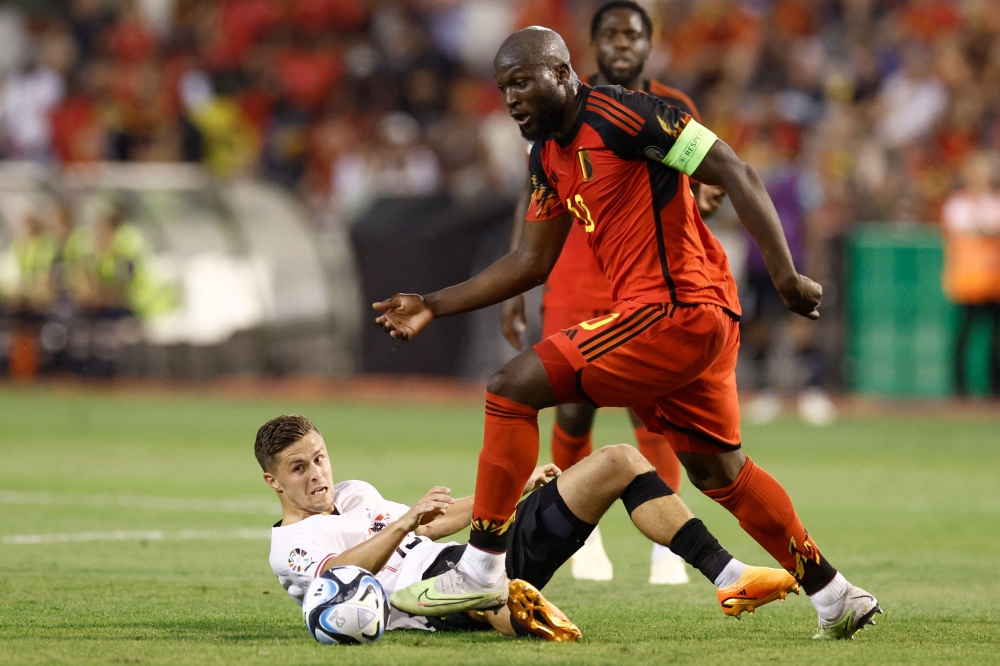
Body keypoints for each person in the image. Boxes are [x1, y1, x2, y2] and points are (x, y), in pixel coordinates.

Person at [374, 27, 881, 640]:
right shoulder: (546, 158)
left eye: (523, 81)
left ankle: (482, 565)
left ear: (562, 73)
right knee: (719, 471)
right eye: (504, 86)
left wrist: (785, 276)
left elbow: (736, 170)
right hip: (692, 319)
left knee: (509, 386)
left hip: (677, 307)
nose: (511, 98)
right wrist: (432, 303)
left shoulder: (625, 113)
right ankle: (835, 595)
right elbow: (530, 261)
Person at [498, 0, 725, 585]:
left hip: (650, 280)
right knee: (572, 404)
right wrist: (512, 288)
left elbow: (708, 178)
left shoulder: (669, 107)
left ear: (649, 45)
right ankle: (583, 528)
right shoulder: (556, 110)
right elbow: (534, 197)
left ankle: (664, 545)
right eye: (610, 35)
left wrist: (710, 197)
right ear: (589, 48)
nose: (622, 45)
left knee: (656, 409)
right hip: (573, 273)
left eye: (632, 35)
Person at [259, 414, 799, 641]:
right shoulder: (289, 546)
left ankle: (729, 574)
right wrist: (402, 523)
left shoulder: (355, 492)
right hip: (431, 599)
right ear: (274, 482)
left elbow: (438, 521)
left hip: (474, 553)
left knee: (619, 460)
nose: (317, 475)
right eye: (299, 468)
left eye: (320, 459)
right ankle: (516, 609)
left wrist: (515, 490)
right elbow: (344, 577)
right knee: (500, 595)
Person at [941, 150, 1000, 396]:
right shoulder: (959, 203)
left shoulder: (994, 201)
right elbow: (973, 229)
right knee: (964, 335)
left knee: (995, 339)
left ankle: (994, 388)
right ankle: (959, 389)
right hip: (968, 282)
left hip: (994, 282)